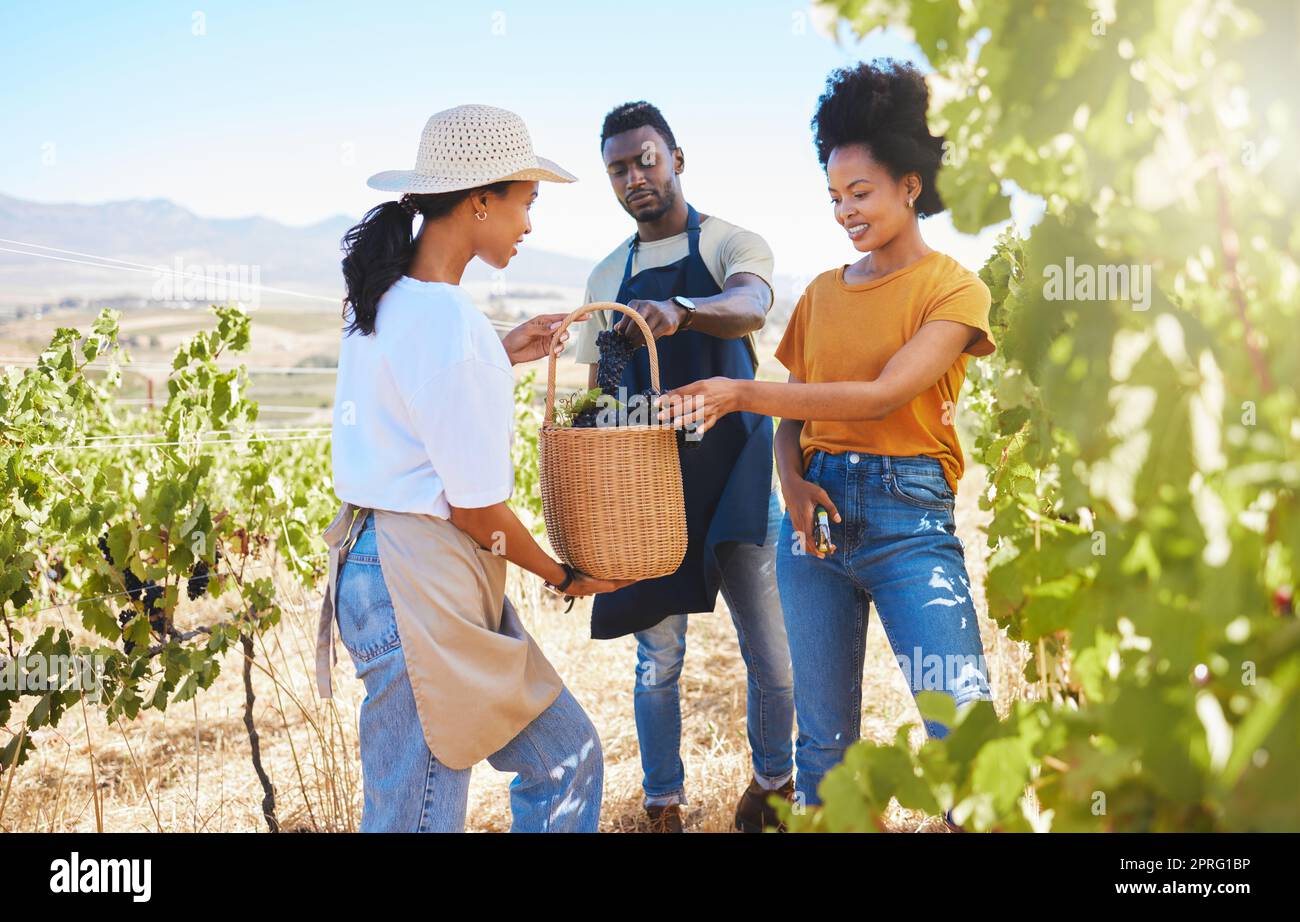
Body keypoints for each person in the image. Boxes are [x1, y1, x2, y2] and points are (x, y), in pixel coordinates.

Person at [658, 60, 996, 817]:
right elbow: (796, 418)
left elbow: (880, 397)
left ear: (911, 185)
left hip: (910, 522)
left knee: (964, 736)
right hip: (814, 528)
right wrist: (791, 482)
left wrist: (740, 389)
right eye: (835, 197)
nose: (845, 211)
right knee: (824, 750)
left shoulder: (954, 289)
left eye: (862, 193)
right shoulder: (820, 292)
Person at [315, 104, 632, 832]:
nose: (529, 225)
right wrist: (564, 575)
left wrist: (501, 351)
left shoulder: (386, 297)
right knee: (420, 817)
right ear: (480, 200)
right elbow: (476, 511)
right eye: (526, 203)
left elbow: (421, 391)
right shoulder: (450, 324)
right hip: (417, 578)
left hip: (389, 569)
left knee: (564, 759)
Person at [571, 101, 794, 833]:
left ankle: (772, 786)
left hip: (739, 475)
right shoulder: (609, 274)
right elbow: (605, 390)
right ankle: (663, 801)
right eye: (618, 169)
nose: (634, 177)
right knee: (657, 663)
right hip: (652, 492)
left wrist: (684, 311)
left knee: (774, 656)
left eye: (646, 160)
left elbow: (752, 306)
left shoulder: (733, 242)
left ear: (677, 159)